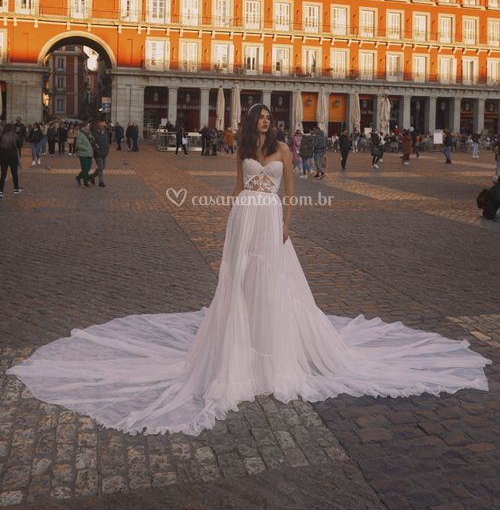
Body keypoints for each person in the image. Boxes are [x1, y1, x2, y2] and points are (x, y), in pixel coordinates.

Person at [6, 101, 491, 437]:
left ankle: (271, 349)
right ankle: (242, 349)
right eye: (257, 119)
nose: (262, 125)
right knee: (239, 285)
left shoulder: (282, 151)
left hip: (271, 220)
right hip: (244, 218)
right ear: (249, 123)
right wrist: (228, 226)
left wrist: (287, 224)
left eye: (266, 120)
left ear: (272, 126)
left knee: (273, 285)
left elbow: (291, 192)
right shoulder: (243, 152)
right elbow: (239, 190)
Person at [0, 124, 23, 197]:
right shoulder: (15, 136)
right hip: (13, 157)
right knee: (14, 173)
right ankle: (16, 189)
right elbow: (20, 145)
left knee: (3, 174)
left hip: (3, 157)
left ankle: (1, 191)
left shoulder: (1, 136)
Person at [89, 121, 110, 188]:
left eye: (103, 126)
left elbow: (107, 143)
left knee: (103, 167)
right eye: (101, 126)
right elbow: (93, 144)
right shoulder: (94, 134)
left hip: (104, 153)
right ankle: (101, 182)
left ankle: (92, 176)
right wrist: (96, 150)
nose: (102, 127)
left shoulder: (105, 133)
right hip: (97, 154)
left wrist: (107, 150)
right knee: (100, 167)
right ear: (98, 127)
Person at [74, 122, 94, 188]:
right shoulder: (80, 134)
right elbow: (78, 145)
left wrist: (92, 139)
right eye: (87, 126)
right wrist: (86, 148)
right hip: (83, 154)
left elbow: (92, 142)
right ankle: (85, 182)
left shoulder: (89, 134)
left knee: (88, 168)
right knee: (85, 168)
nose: (89, 127)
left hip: (89, 153)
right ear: (83, 127)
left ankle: (79, 177)